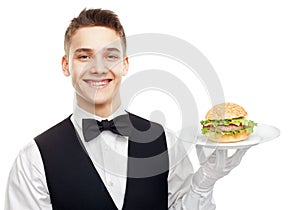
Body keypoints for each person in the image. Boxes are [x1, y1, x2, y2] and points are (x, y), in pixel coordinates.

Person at [5, 8, 249, 210]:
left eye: (110, 56)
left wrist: (204, 183)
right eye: (84, 56)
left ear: (125, 65)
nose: (98, 68)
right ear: (65, 65)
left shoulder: (166, 142)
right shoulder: (34, 158)